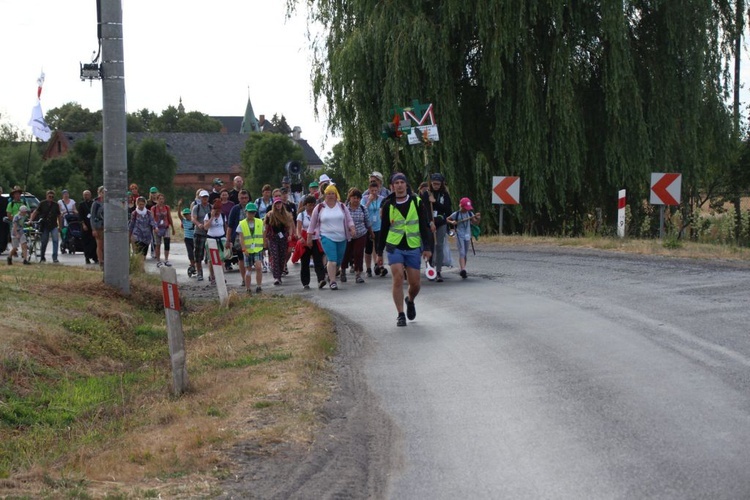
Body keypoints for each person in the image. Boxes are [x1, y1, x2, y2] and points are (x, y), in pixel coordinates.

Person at [376, 173, 433, 326]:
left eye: (402, 182)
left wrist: (427, 247)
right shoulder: (388, 205)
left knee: (415, 284)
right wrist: (379, 252)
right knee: (398, 278)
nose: (400, 185)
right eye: (397, 183)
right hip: (394, 246)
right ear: (392, 186)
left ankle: (410, 300)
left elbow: (424, 226)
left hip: (413, 246)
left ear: (406, 185)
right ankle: (400, 314)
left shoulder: (417, 201)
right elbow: (383, 229)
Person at [306, 184, 356, 290]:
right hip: (326, 236)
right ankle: (333, 282)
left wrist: (352, 228)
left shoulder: (342, 206)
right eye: (328, 194)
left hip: (342, 237)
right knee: (332, 260)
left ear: (336, 194)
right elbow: (312, 223)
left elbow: (349, 219)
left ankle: (331, 274)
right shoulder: (320, 208)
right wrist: (309, 237)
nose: (331, 196)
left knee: (338, 261)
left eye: (333, 193)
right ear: (325, 195)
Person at [422, 173, 452, 282]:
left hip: (441, 222)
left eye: (438, 184)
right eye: (434, 184)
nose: (436, 186)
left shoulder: (444, 194)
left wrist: (436, 202)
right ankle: (430, 269)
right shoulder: (426, 194)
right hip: (429, 223)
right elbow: (424, 210)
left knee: (439, 245)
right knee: (430, 246)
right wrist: (430, 222)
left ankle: (439, 271)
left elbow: (447, 210)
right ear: (431, 183)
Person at [341, 188, 372, 284]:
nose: (356, 200)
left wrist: (371, 232)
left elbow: (367, 222)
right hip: (347, 235)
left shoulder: (363, 208)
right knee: (346, 254)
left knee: (358, 254)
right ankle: (342, 272)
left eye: (358, 198)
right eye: (354, 198)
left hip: (361, 234)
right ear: (350, 198)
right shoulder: (344, 209)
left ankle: (358, 274)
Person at [296, 195, 327, 289]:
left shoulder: (319, 214)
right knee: (305, 261)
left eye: (313, 205)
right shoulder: (301, 215)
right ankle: (305, 282)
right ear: (305, 205)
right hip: (305, 240)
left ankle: (321, 279)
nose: (311, 207)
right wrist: (300, 237)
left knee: (318, 260)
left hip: (316, 239)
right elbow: (298, 229)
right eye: (309, 205)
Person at [447, 197, 481, 279]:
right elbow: (447, 219)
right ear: (461, 206)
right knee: (461, 252)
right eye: (465, 208)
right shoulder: (456, 214)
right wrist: (452, 222)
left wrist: (478, 219)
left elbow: (475, 223)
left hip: (467, 235)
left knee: (465, 253)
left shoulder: (470, 214)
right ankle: (463, 269)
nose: (467, 210)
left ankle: (463, 270)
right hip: (459, 235)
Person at [264, 197, 294, 285]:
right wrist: (264, 239)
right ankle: (276, 277)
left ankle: (280, 273)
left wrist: (290, 235)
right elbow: (266, 227)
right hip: (273, 238)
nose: (278, 205)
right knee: (275, 256)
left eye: (279, 203)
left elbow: (290, 226)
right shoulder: (270, 215)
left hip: (283, 238)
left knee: (282, 257)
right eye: (276, 204)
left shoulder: (286, 215)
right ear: (274, 205)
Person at [237, 202, 264, 293]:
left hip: (257, 249)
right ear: (246, 212)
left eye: (253, 212)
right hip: (247, 250)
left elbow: (263, 234)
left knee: (258, 267)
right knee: (248, 270)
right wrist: (244, 249)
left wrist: (264, 247)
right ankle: (248, 288)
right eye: (249, 212)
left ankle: (259, 286)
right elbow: (241, 238)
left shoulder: (260, 222)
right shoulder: (242, 224)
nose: (251, 214)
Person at [30, 190, 62, 263]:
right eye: (49, 196)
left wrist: (60, 226)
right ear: (46, 196)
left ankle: (55, 257)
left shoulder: (56, 205)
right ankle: (42, 256)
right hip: (45, 225)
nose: (51, 198)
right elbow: (35, 212)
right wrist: (31, 220)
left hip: (53, 225)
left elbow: (59, 216)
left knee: (55, 241)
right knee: (44, 241)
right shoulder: (42, 203)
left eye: (52, 197)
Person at [226, 189, 251, 285]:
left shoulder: (252, 208)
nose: (244, 200)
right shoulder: (235, 209)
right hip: (238, 237)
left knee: (250, 258)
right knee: (241, 258)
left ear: (248, 198)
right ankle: (244, 278)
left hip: (251, 236)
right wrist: (228, 240)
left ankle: (248, 277)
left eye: (245, 198)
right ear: (238, 198)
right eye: (242, 198)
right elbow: (230, 226)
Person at [362, 180, 385, 277]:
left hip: (379, 226)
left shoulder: (382, 199)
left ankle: (379, 266)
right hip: (368, 227)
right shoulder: (365, 198)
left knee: (379, 248)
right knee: (368, 249)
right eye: (372, 191)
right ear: (369, 190)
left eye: (376, 190)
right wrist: (369, 201)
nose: (374, 192)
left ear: (378, 190)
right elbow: (362, 210)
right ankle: (368, 268)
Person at [204, 199, 228, 285]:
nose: (218, 212)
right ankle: (212, 276)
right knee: (211, 259)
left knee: (221, 258)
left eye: (219, 210)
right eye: (216, 210)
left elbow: (225, 227)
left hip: (221, 239)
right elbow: (206, 227)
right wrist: (212, 217)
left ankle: (221, 276)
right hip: (211, 239)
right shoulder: (208, 215)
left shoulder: (223, 215)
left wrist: (227, 239)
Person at [191, 190, 212, 281]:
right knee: (198, 254)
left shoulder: (211, 207)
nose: (205, 199)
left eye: (206, 197)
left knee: (210, 255)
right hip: (199, 233)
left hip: (209, 233)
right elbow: (193, 218)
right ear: (200, 198)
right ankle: (199, 272)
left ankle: (212, 274)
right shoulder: (196, 207)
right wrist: (198, 224)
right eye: (203, 197)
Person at [151, 193, 175, 266]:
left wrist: (173, 227)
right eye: (160, 199)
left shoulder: (167, 207)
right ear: (157, 200)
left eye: (162, 199)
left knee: (167, 243)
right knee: (158, 244)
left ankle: (166, 259)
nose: (161, 200)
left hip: (166, 227)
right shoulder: (154, 208)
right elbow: (152, 219)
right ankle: (158, 260)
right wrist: (154, 227)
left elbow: (169, 217)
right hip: (157, 228)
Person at [77, 189, 98, 264]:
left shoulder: (94, 203)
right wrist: (83, 224)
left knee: (94, 242)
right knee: (86, 242)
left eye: (87, 194)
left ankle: (95, 257)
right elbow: (80, 216)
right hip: (85, 225)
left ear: (90, 195)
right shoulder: (81, 204)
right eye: (85, 195)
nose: (86, 196)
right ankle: (87, 257)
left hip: (93, 226)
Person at [179, 207, 197, 277]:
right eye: (185, 215)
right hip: (187, 239)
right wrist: (179, 207)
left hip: (194, 239)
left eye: (188, 214)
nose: (187, 216)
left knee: (195, 253)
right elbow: (179, 215)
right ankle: (192, 264)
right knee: (190, 253)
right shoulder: (184, 221)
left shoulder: (193, 221)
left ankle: (193, 265)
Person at [91, 186, 105, 268]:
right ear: (99, 193)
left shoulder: (108, 202)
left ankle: (106, 260)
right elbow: (92, 217)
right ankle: (101, 261)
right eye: (102, 192)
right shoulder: (96, 203)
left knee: (106, 245)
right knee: (100, 245)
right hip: (99, 226)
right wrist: (93, 229)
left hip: (107, 226)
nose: (104, 194)